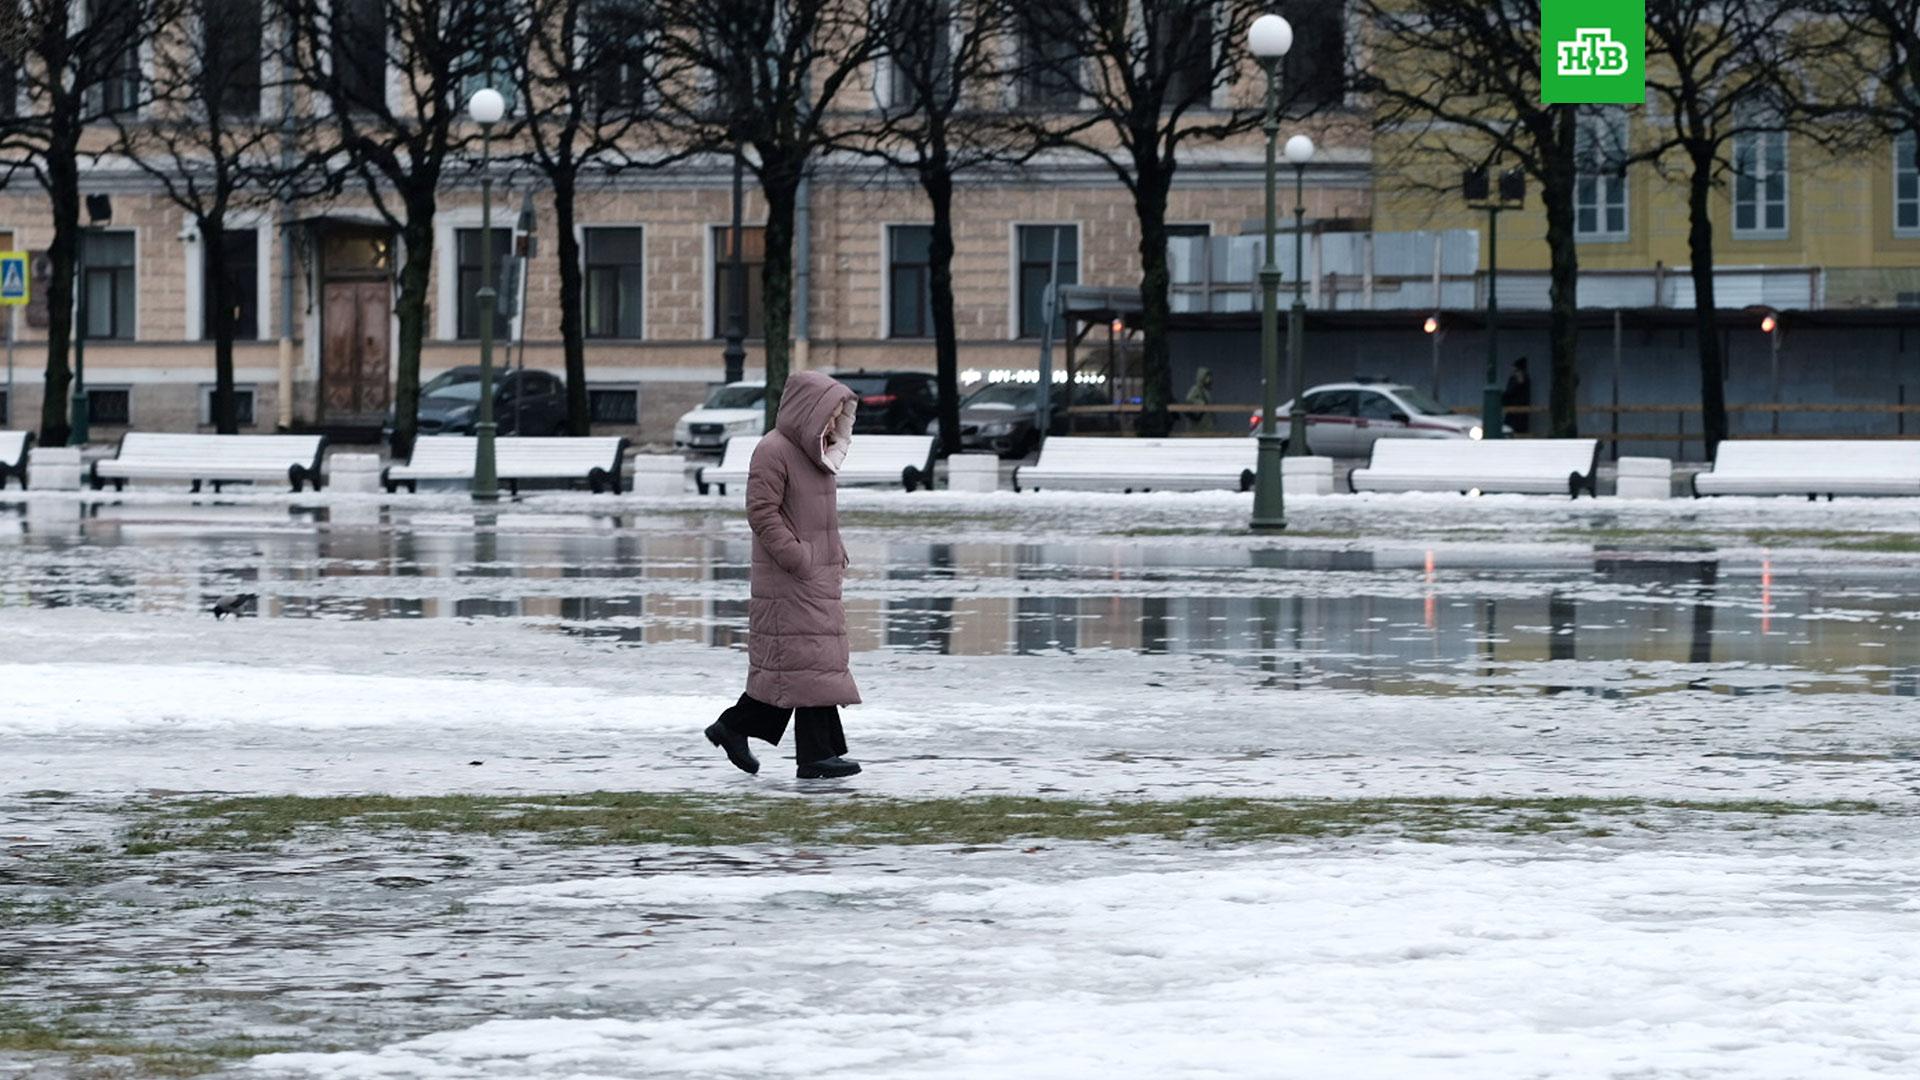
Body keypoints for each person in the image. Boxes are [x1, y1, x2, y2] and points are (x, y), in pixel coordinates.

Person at [704, 371, 863, 780]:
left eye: (838, 415)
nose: (833, 423)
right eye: (828, 413)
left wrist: (834, 551)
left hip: (817, 574)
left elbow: (817, 516)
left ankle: (751, 733)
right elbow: (762, 512)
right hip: (790, 577)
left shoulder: (819, 453)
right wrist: (797, 557)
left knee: (809, 665)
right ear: (808, 411)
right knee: (804, 664)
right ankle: (811, 755)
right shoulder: (773, 450)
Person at [1503, 357, 1532, 435]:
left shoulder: (1523, 378)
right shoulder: (1514, 378)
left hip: (1519, 409)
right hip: (1512, 408)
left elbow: (1513, 389)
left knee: (1518, 430)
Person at [1184, 367, 1215, 432]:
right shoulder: (1196, 388)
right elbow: (1189, 399)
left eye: (1209, 376)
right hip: (1198, 422)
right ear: (1202, 377)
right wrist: (1201, 403)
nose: (1209, 378)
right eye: (1207, 376)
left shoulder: (1206, 391)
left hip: (1206, 421)